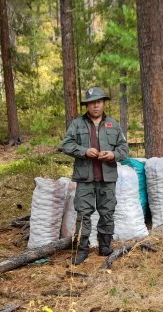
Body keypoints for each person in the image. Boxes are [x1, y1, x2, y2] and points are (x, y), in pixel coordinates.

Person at [61, 87, 129, 265]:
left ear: (103, 103)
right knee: (83, 215)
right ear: (87, 105)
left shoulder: (113, 124)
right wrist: (84, 151)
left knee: (107, 213)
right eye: (92, 102)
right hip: (85, 179)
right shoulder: (77, 124)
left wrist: (113, 155)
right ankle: (81, 250)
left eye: (99, 101)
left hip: (107, 179)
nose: (96, 105)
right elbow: (66, 145)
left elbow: (124, 149)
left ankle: (105, 247)